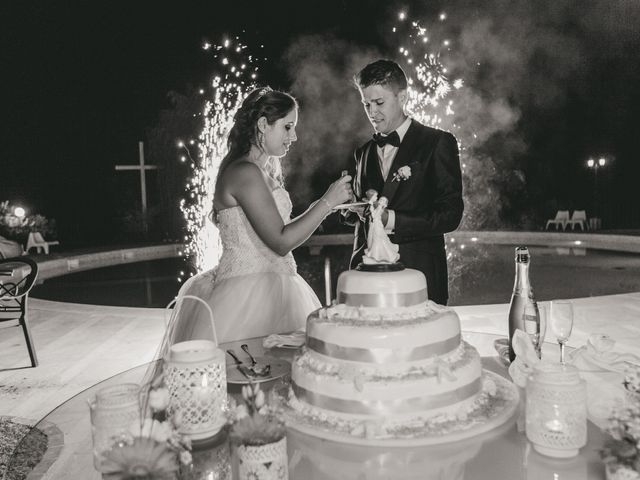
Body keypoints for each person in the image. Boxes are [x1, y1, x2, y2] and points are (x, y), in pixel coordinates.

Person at [167, 87, 353, 346]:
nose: (295, 136)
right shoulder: (245, 173)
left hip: (275, 288)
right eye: (288, 127)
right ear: (263, 124)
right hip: (246, 299)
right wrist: (328, 202)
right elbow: (280, 241)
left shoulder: (260, 171)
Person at [347, 59, 463, 305]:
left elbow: (450, 215)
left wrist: (393, 220)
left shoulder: (437, 142)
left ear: (403, 98)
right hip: (368, 281)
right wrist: (351, 208)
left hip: (420, 277)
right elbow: (358, 214)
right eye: (366, 104)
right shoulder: (363, 152)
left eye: (379, 103)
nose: (372, 112)